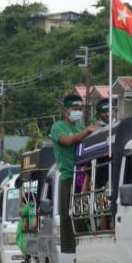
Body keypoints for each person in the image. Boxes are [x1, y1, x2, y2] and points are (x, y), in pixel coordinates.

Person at [50, 94, 101, 254]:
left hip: (85, 174)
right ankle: (71, 248)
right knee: (68, 213)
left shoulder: (80, 127)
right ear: (65, 111)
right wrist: (87, 131)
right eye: (75, 109)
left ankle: (89, 241)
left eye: (80, 109)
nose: (78, 112)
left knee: (86, 209)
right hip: (68, 175)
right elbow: (68, 141)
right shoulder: (57, 127)